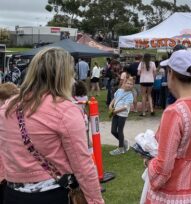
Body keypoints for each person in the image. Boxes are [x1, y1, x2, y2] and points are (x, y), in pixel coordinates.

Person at [0, 47, 103, 203]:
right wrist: (96, 201)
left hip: (12, 193)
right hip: (51, 194)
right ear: (64, 75)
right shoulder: (65, 110)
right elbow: (82, 165)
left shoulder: (7, 107)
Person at [143, 50, 191, 203]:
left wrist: (149, 162)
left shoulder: (174, 112)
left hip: (176, 192)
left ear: (171, 74)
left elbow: (163, 168)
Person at [108, 77, 134, 155]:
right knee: (113, 131)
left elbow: (125, 107)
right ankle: (123, 142)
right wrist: (110, 105)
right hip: (115, 113)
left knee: (120, 131)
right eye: (128, 83)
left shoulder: (130, 95)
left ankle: (121, 148)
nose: (129, 85)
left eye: (131, 84)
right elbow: (115, 99)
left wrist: (115, 111)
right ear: (124, 84)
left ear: (132, 86)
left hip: (122, 115)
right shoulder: (119, 91)